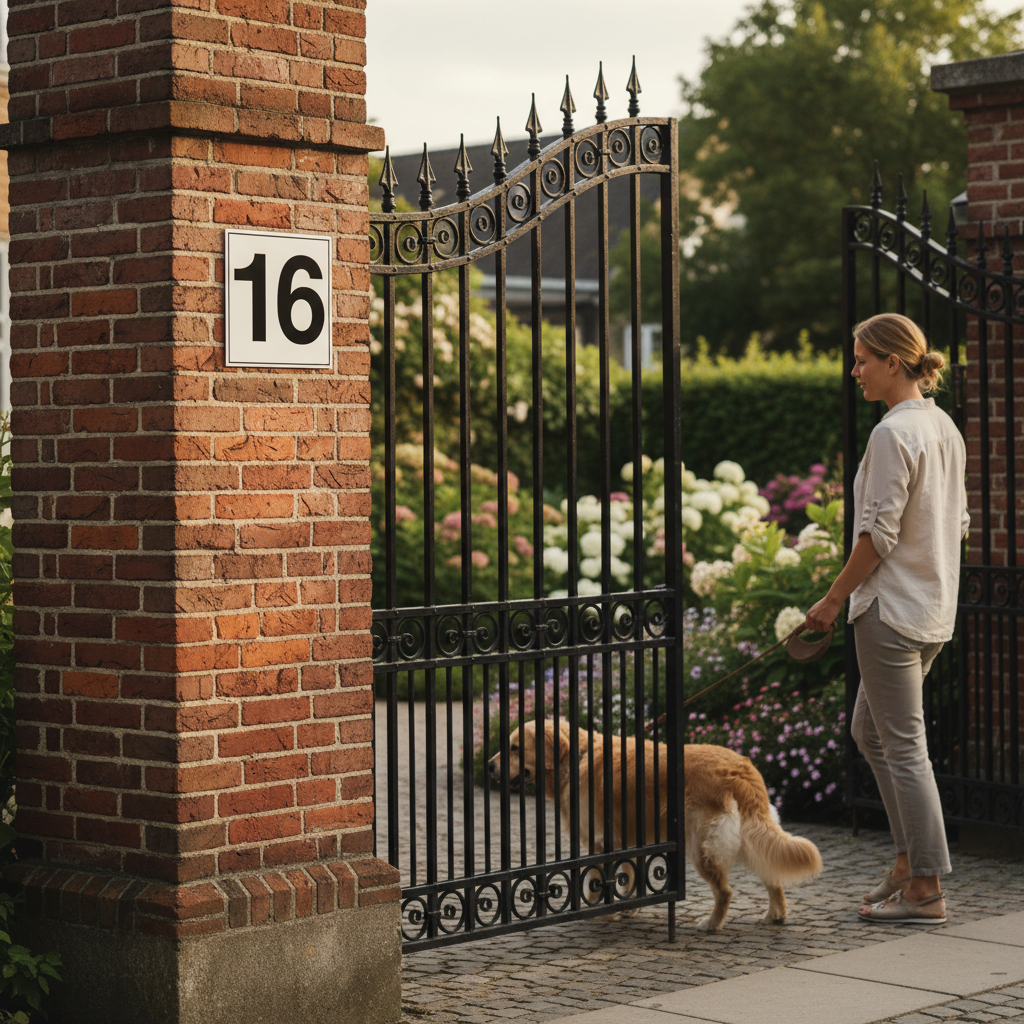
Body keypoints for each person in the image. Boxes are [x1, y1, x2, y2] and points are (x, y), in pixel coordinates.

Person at [804, 313, 968, 924]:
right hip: (930, 611)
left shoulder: (893, 432)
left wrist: (829, 600)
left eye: (861, 360)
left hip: (890, 612)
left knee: (902, 746)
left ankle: (925, 889)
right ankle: (907, 862)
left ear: (893, 362)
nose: (854, 371)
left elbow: (877, 534)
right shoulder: (944, 427)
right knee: (870, 734)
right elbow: (959, 524)